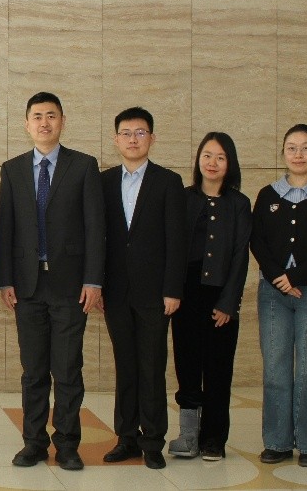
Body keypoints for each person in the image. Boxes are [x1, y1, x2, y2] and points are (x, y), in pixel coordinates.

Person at [0, 92, 104, 472]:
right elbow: (5, 228)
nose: (44, 123)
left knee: (68, 370)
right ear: (26, 124)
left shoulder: (84, 166)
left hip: (71, 286)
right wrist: (5, 280)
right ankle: (34, 443)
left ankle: (68, 445)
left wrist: (93, 280)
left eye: (51, 116)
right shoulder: (12, 169)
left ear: (62, 121)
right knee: (34, 371)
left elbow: (95, 227)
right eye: (37, 116)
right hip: (27, 286)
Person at [250, 124, 307, 468]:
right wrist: (281, 279)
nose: (299, 154)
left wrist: (296, 278)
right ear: (283, 153)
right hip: (273, 293)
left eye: (306, 148)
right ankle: (276, 441)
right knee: (275, 368)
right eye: (292, 147)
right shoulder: (268, 195)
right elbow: (257, 240)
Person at [100, 107, 187, 470]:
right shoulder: (103, 182)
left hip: (155, 293)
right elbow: (98, 238)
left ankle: (152, 440)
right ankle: (127, 437)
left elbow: (177, 241)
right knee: (125, 365)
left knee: (152, 366)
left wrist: (173, 289)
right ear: (116, 139)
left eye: (140, 132)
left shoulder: (168, 182)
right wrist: (97, 285)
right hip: (115, 290)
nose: (132, 139)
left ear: (152, 138)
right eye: (126, 133)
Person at [169, 132, 251, 461]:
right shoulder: (183, 197)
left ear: (230, 163)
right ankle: (188, 435)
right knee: (187, 365)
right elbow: (172, 249)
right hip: (185, 295)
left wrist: (229, 303)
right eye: (207, 155)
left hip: (220, 296)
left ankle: (214, 437)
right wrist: (171, 292)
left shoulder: (239, 203)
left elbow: (240, 256)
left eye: (220, 157)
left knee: (218, 369)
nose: (212, 163)